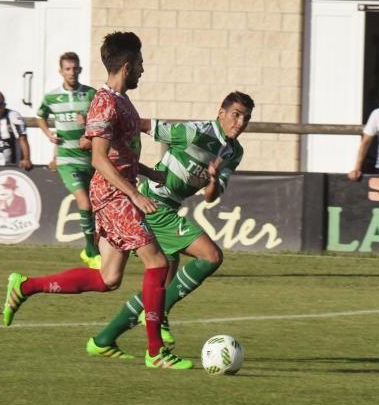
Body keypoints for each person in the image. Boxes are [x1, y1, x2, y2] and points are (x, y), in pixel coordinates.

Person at [3, 31, 193, 370]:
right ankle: (155, 352)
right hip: (114, 195)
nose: (143, 71)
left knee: (108, 278)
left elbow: (110, 151)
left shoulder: (121, 102)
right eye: (141, 65)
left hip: (119, 190)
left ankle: (25, 286)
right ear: (127, 65)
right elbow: (99, 159)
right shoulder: (106, 101)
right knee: (158, 263)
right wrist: (134, 193)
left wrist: (149, 173)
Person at [87, 91, 255, 360]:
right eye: (235, 115)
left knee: (159, 285)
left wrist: (212, 178)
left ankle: (103, 340)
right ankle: (159, 313)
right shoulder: (195, 132)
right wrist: (102, 132)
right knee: (211, 256)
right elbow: (145, 126)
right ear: (221, 113)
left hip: (169, 207)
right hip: (153, 204)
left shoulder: (234, 152)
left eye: (246, 118)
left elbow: (211, 197)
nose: (240, 122)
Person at [37, 52, 101, 268]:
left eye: (75, 68)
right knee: (85, 202)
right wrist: (48, 135)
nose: (72, 72)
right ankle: (91, 252)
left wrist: (88, 121)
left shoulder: (91, 95)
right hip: (67, 160)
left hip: (92, 160)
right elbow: (40, 116)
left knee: (99, 207)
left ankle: (100, 247)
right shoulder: (52, 97)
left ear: (80, 70)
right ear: (61, 71)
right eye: (67, 69)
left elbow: (103, 120)